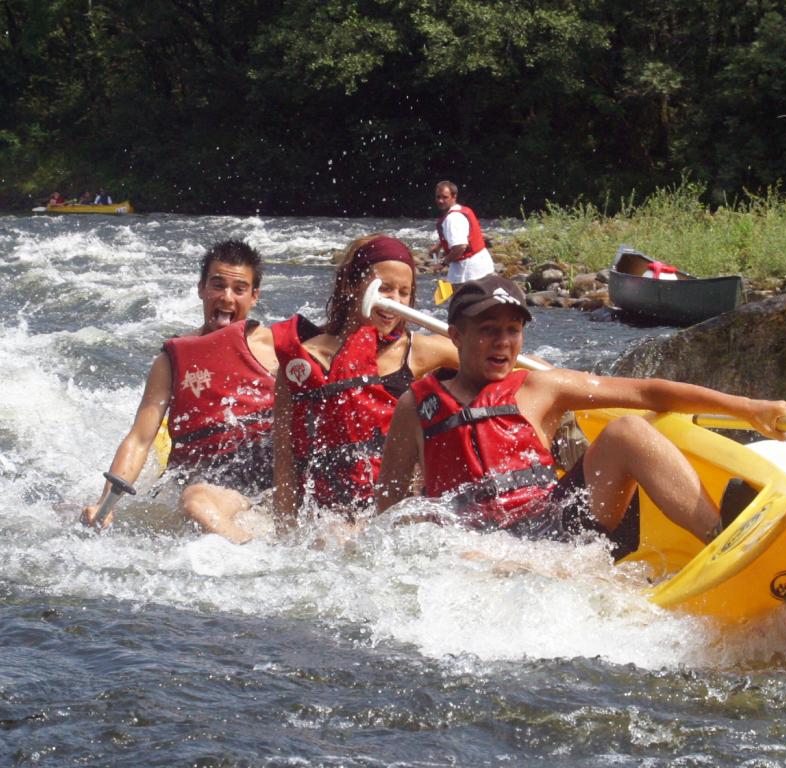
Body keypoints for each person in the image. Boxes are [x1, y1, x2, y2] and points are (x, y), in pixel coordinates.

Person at [376, 274, 786, 548]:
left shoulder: (542, 386)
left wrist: (747, 408)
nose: (503, 342)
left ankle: (723, 539)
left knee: (628, 430)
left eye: (512, 331)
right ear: (456, 335)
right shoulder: (417, 405)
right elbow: (389, 506)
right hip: (470, 543)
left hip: (551, 526)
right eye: (488, 331)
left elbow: (649, 393)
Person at [81, 240, 278, 544]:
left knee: (196, 501)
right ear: (201, 289)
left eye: (239, 289)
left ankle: (266, 563)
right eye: (218, 285)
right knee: (193, 498)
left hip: (260, 474)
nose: (227, 297)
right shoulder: (172, 359)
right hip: (199, 474)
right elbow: (139, 438)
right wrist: (105, 504)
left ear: (254, 297)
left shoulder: (278, 348)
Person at [272, 234, 459, 527]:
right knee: (332, 535)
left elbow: (499, 359)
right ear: (352, 285)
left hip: (396, 512)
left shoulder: (423, 351)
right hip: (328, 515)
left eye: (404, 292)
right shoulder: (304, 359)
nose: (394, 301)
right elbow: (284, 458)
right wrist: (285, 531)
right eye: (384, 289)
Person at [427, 180, 495, 284]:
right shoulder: (462, 210)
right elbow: (459, 235)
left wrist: (443, 263)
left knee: (460, 299)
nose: (440, 201)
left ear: (454, 197)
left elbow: (460, 246)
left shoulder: (453, 218)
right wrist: (439, 246)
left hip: (469, 271)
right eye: (438, 197)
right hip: (483, 265)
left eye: (445, 197)